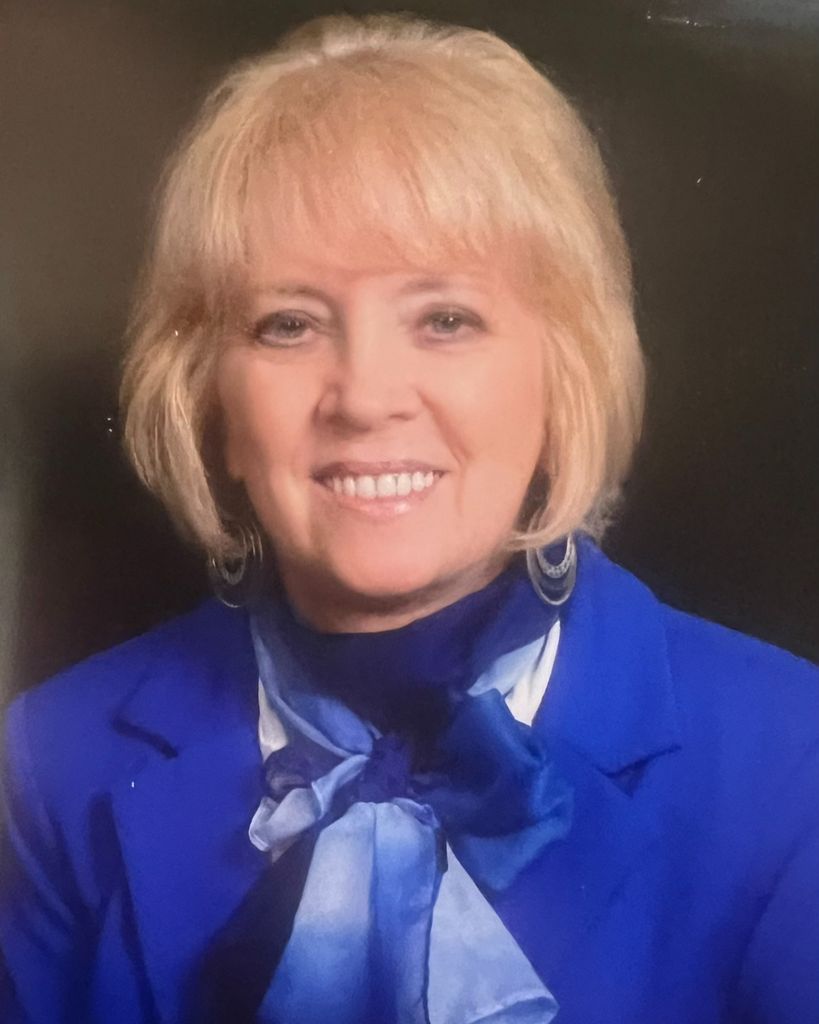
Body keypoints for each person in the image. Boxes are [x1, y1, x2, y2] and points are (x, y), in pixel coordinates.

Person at [1, 11, 817, 1024]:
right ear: (208, 399)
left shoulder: (791, 760)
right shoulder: (50, 765)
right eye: (289, 324)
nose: (365, 395)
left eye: (445, 319)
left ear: (564, 373)